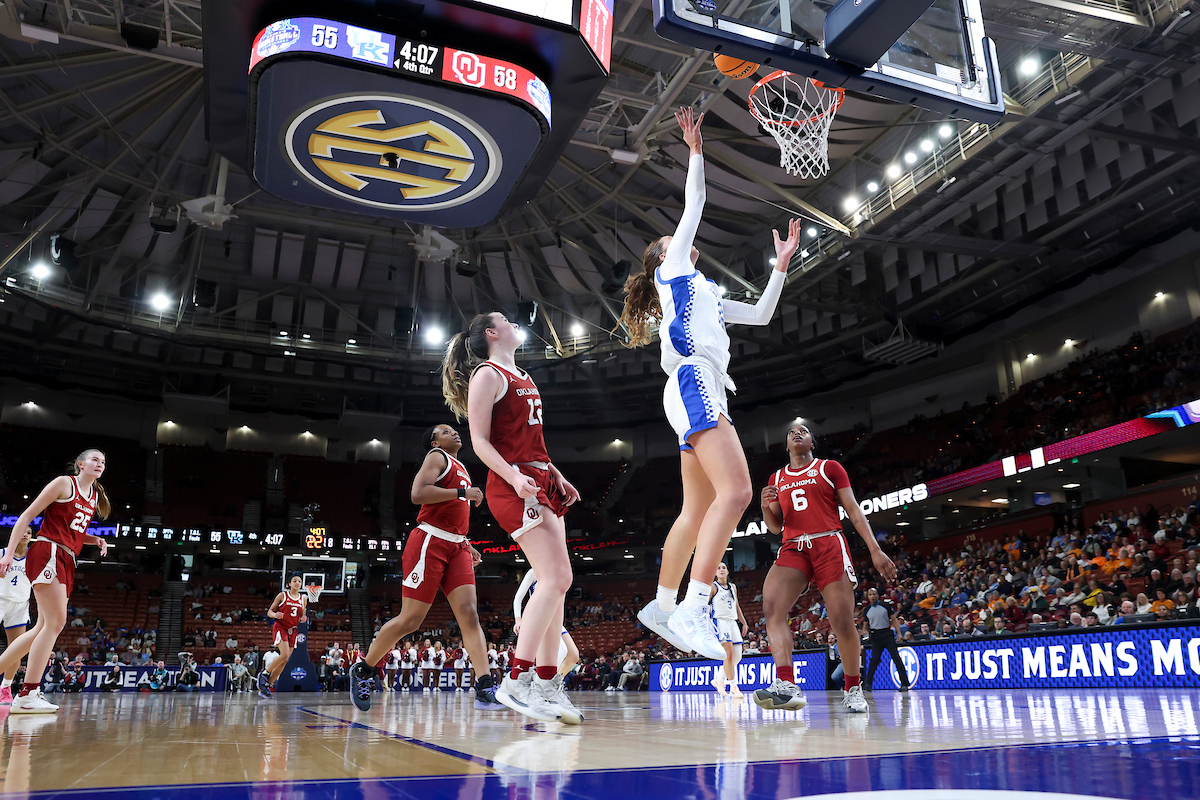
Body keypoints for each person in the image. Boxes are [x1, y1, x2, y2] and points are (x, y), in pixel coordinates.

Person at [625, 108, 802, 661]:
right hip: (694, 379)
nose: (676, 239)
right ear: (662, 255)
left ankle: (660, 603)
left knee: (696, 510)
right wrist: (695, 150)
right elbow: (694, 206)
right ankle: (694, 604)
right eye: (668, 239)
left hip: (692, 387)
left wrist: (781, 265)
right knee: (740, 492)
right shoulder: (672, 269)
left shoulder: (704, 292)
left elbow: (765, 314)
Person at [441, 311, 582, 724]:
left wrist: (555, 473)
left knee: (557, 584)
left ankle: (546, 685)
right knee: (556, 579)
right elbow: (480, 443)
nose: (514, 322)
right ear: (491, 333)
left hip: (540, 479)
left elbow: (533, 440)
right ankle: (515, 679)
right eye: (505, 319)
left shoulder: (523, 373)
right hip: (513, 484)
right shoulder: (487, 374)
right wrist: (516, 477)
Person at [349, 424, 502, 712]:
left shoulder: (461, 467)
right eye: (445, 430)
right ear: (434, 441)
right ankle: (364, 670)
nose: (454, 432)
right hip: (429, 542)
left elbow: (452, 514)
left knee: (470, 615)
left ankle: (484, 686)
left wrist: (465, 543)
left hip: (456, 545)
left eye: (454, 430)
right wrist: (461, 493)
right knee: (411, 621)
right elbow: (418, 494)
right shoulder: (437, 457)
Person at [754, 424, 897, 714]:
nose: (797, 433)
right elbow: (775, 527)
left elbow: (854, 510)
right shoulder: (776, 478)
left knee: (842, 620)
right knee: (771, 607)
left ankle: (853, 687)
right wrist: (764, 505)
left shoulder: (829, 468)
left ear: (812, 443)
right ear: (785, 445)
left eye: (803, 431)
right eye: (791, 432)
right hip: (794, 545)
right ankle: (786, 684)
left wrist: (875, 549)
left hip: (829, 542)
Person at [0, 449, 112, 713]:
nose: (100, 464)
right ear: (80, 464)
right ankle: (28, 692)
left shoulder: (94, 496)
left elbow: (74, 531)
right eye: (95, 460)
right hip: (48, 550)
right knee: (56, 622)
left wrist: (93, 539)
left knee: (41, 628)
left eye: (103, 462)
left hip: (67, 557)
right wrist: (7, 553)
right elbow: (27, 516)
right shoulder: (64, 483)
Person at [512, 568, 580, 700]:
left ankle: (552, 687)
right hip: (539, 617)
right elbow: (518, 598)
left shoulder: (558, 570)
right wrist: (518, 619)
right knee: (559, 653)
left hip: (554, 618)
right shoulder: (533, 572)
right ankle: (544, 690)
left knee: (573, 655)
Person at [258, 575, 307, 698]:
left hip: (293, 630)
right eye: (294, 581)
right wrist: (275, 615)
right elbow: (269, 612)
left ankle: (267, 685)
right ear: (289, 584)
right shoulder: (282, 595)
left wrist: (303, 619)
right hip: (281, 627)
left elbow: (301, 616)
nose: (297, 583)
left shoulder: (303, 599)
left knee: (285, 660)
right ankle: (264, 673)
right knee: (284, 655)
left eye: (299, 581)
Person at [0, 531, 33, 705]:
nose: (25, 534)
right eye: (22, 531)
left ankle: (5, 688)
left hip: (20, 604)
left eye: (29, 532)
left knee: (17, 649)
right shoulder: (2, 554)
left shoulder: (34, 558)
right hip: (0, 599)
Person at [708, 562, 747, 696]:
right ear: (715, 573)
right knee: (728, 654)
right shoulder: (713, 587)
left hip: (732, 622)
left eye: (724, 567)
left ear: (728, 571)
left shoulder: (733, 587)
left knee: (737, 657)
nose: (721, 570)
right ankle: (733, 686)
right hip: (720, 621)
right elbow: (704, 606)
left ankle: (718, 680)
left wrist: (744, 622)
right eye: (718, 568)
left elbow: (737, 606)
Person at [862, 588, 911, 692]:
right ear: (868, 597)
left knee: (896, 658)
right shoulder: (866, 610)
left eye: (874, 594)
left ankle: (904, 683)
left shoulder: (885, 606)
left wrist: (899, 633)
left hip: (887, 634)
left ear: (878, 595)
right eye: (870, 594)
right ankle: (867, 684)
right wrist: (867, 633)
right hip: (875, 636)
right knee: (874, 660)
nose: (872, 596)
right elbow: (865, 625)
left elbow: (894, 620)